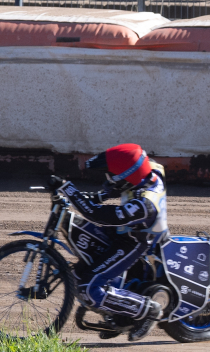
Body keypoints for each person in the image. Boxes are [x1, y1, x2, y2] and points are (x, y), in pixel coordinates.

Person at [49, 143, 168, 341]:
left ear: (127, 176)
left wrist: (67, 188)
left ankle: (149, 310)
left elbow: (97, 215)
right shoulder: (149, 169)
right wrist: (100, 195)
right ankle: (117, 312)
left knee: (87, 288)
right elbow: (120, 184)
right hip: (123, 230)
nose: (107, 178)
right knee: (78, 272)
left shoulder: (145, 204)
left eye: (111, 174)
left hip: (135, 242)